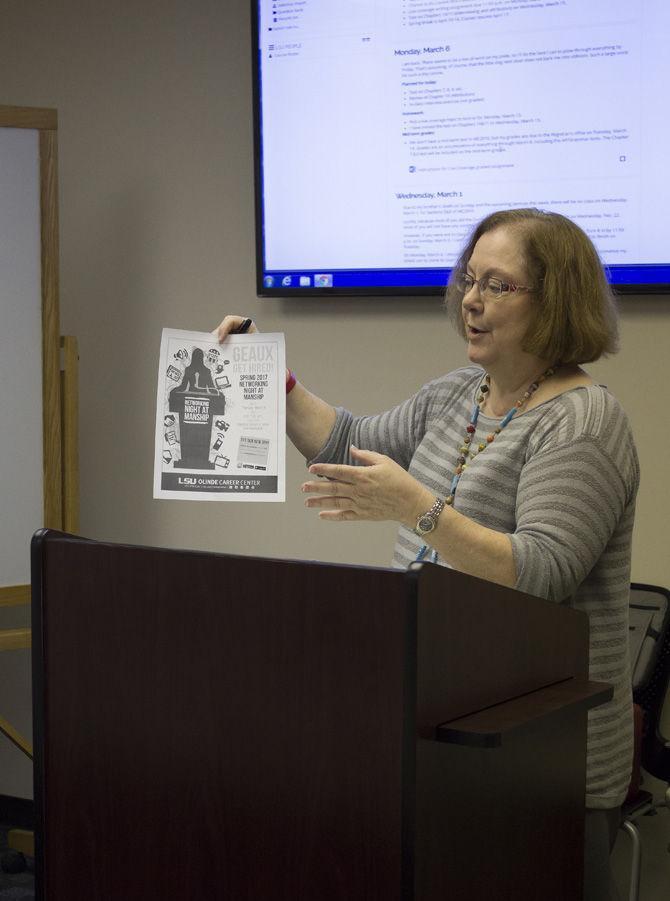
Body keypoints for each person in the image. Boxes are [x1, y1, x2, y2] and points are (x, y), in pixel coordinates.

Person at [215, 208, 638, 900]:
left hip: (542, 757)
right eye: (469, 279)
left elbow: (540, 573)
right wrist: (274, 382)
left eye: (498, 285)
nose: (470, 299)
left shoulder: (584, 421)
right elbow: (347, 440)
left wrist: (414, 505)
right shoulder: (458, 394)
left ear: (556, 298)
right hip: (443, 728)